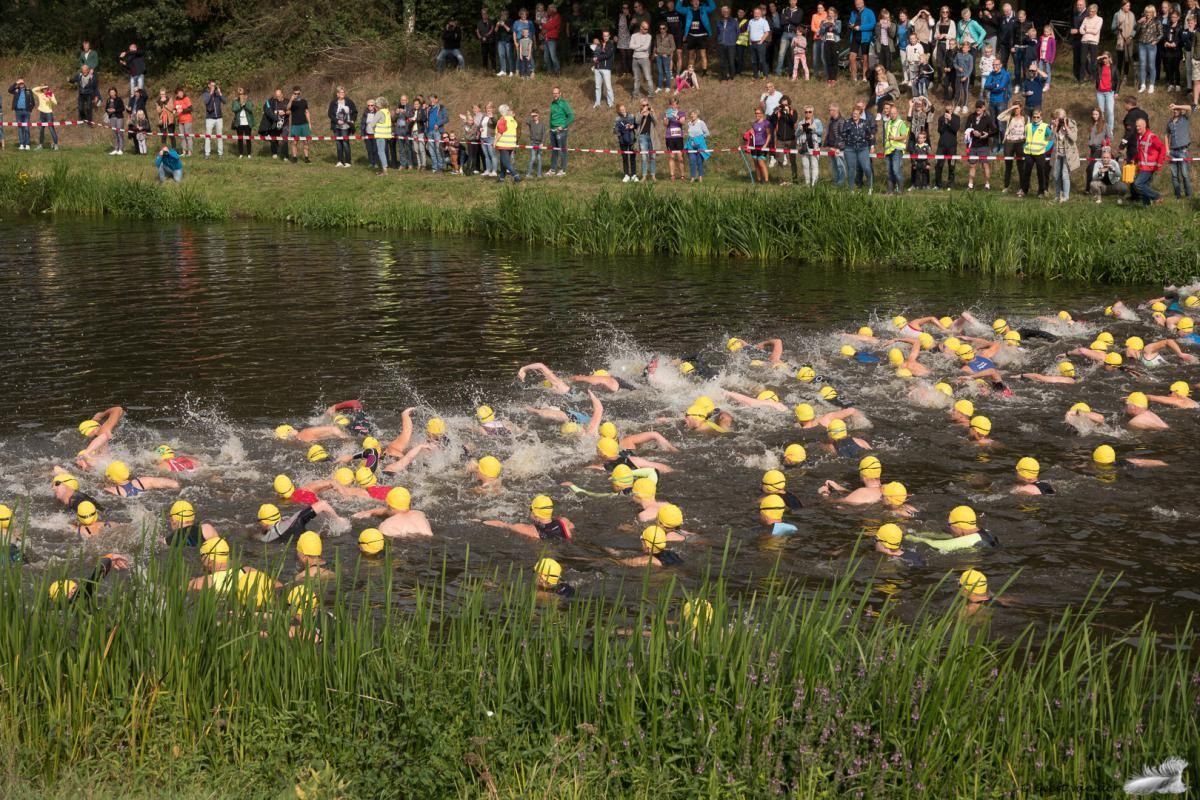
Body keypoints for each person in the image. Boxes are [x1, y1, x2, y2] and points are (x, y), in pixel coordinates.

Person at [48, 554, 131, 608]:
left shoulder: (63, 608)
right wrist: (109, 558)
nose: (75, 592)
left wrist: (108, 560)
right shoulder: (78, 597)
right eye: (73, 591)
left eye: (75, 589)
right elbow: (95, 575)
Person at [484, 494, 574, 541]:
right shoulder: (564, 522)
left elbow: (502, 524)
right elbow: (572, 528)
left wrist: (481, 521)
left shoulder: (530, 530)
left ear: (535, 513)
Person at [1131, 116, 1166, 205]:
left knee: (1138, 184)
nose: (1137, 128)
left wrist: (1159, 162)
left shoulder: (1151, 137)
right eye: (1136, 126)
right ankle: (1146, 206)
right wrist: (1134, 159)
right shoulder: (1140, 137)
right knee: (1145, 185)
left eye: (1139, 126)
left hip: (1149, 167)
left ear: (1144, 125)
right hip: (1143, 166)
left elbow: (1162, 148)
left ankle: (1157, 196)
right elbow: (1142, 152)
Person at [842, 103, 874, 192]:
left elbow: (870, 135)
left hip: (863, 148)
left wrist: (872, 145)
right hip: (850, 149)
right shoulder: (847, 122)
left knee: (867, 168)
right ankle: (851, 190)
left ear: (860, 114)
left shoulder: (865, 123)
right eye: (853, 113)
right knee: (851, 169)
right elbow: (843, 135)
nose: (854, 115)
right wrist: (840, 146)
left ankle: (870, 187)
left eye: (856, 113)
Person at [964, 101, 996, 190]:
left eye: (980, 107)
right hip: (972, 145)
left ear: (984, 108)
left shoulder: (988, 118)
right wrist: (972, 132)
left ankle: (987, 185)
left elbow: (995, 131)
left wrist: (987, 135)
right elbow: (966, 128)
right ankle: (970, 185)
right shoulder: (971, 117)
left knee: (985, 165)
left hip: (984, 145)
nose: (978, 109)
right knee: (972, 165)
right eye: (977, 107)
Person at [1051, 108, 1080, 202]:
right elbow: (1050, 139)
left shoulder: (1072, 124)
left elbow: (1074, 138)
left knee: (1064, 175)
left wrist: (1066, 127)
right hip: (1057, 153)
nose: (1061, 119)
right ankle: (1057, 195)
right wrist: (1055, 127)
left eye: (1062, 117)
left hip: (1068, 154)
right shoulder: (1054, 125)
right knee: (1056, 175)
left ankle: (1066, 196)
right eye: (1059, 118)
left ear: (1065, 116)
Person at [996, 103, 1026, 191]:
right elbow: (999, 117)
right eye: (1015, 108)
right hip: (1009, 143)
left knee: (1021, 166)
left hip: (1020, 143)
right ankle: (1006, 186)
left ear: (1021, 108)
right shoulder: (1010, 117)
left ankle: (1022, 187)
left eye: (1017, 108)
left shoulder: (1025, 118)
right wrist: (1010, 109)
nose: (1016, 110)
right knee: (1008, 165)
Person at [882, 101, 909, 194]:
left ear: (897, 113)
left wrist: (894, 138)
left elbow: (904, 136)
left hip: (897, 150)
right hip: (888, 150)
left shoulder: (901, 123)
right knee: (889, 172)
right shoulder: (887, 123)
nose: (892, 115)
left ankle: (901, 190)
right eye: (891, 113)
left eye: (894, 113)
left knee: (896, 170)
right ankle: (890, 191)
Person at [1166, 103, 1192, 199]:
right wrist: (1167, 149)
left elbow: (1190, 107)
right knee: (1174, 175)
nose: (1175, 111)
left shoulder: (1184, 118)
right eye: (1174, 109)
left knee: (1185, 174)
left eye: (1177, 109)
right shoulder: (1170, 122)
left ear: (1180, 110)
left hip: (1183, 151)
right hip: (1172, 152)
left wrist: (1177, 106)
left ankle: (1188, 195)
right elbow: (1166, 135)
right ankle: (1178, 196)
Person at [327, 86, 356, 168]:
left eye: (343, 92)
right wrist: (337, 121)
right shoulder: (333, 102)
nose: (342, 94)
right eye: (341, 92)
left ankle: (348, 162)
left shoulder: (349, 102)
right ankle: (339, 161)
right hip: (336, 126)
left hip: (346, 126)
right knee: (338, 143)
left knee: (345, 143)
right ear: (337, 94)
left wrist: (352, 120)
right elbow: (330, 114)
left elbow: (354, 112)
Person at [847, 0, 876, 83]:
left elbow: (873, 24)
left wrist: (860, 27)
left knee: (865, 58)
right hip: (854, 37)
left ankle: (865, 77)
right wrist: (851, 25)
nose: (857, 6)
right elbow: (850, 22)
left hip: (865, 37)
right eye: (856, 4)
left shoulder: (869, 12)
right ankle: (854, 78)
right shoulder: (853, 13)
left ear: (863, 3)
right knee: (851, 58)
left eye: (859, 4)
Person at [1136, 5, 1163, 93]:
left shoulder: (1157, 21)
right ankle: (1143, 85)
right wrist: (1139, 22)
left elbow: (1161, 34)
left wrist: (1156, 41)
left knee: (1151, 65)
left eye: (1149, 12)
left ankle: (1151, 85)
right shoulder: (1142, 20)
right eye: (1146, 12)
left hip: (1151, 45)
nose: (1148, 14)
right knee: (1142, 65)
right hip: (1142, 44)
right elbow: (1135, 30)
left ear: (1153, 12)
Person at [934, 104, 960, 189]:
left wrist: (950, 120)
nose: (948, 111)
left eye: (950, 109)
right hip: (942, 145)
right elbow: (940, 130)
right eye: (947, 109)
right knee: (938, 165)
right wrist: (945, 123)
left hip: (952, 145)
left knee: (951, 165)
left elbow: (955, 129)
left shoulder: (956, 118)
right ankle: (938, 184)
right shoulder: (941, 118)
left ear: (952, 109)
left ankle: (950, 184)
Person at [494, 104, 522, 183]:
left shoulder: (503, 119)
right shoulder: (512, 120)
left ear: (501, 112)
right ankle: (502, 178)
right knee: (502, 161)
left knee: (505, 162)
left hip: (503, 144)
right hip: (511, 144)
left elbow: (500, 132)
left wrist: (495, 142)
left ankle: (516, 176)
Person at [286, 86, 312, 164]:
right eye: (295, 93)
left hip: (304, 124)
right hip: (295, 125)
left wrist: (309, 123)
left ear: (300, 93)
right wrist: (291, 100)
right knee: (294, 142)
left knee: (306, 141)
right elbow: (287, 109)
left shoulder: (304, 101)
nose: (297, 95)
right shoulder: (291, 102)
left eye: (298, 93)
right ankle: (294, 158)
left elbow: (307, 112)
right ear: (293, 93)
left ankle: (306, 158)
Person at [6, 78, 33, 151]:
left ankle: (27, 144)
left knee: (26, 128)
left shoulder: (28, 90)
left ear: (24, 83)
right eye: (20, 83)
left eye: (22, 83)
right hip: (18, 112)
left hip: (26, 111)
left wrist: (30, 110)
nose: (21, 84)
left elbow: (32, 101)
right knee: (20, 128)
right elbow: (9, 90)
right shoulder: (16, 90)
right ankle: (21, 144)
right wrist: (16, 82)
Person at [635, 99, 658, 180]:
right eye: (644, 105)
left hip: (651, 137)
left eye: (647, 105)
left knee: (653, 157)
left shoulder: (651, 113)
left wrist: (653, 113)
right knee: (644, 157)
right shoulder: (638, 113)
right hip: (642, 137)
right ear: (641, 106)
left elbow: (656, 122)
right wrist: (642, 113)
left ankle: (653, 175)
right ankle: (644, 176)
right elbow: (637, 122)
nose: (646, 106)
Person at [30, 84, 58, 151]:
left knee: (51, 129)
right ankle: (40, 145)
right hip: (42, 113)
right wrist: (40, 87)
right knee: (41, 129)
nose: (45, 89)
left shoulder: (51, 94)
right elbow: (33, 90)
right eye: (43, 88)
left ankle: (55, 144)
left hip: (49, 113)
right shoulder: (40, 94)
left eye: (46, 88)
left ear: (48, 89)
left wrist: (50, 98)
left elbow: (55, 103)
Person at [593, 31, 617, 108]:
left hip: (606, 68)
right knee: (597, 87)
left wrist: (597, 57)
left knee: (608, 87)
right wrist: (594, 57)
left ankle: (611, 103)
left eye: (607, 36)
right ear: (602, 36)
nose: (605, 37)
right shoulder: (600, 44)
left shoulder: (611, 44)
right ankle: (597, 103)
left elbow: (608, 55)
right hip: (597, 67)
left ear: (609, 36)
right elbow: (595, 52)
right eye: (604, 36)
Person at [1115, 1, 1138, 80]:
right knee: (1120, 59)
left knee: (1127, 58)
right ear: (1122, 6)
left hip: (1129, 39)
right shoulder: (1117, 15)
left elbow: (1135, 28)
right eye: (1127, 6)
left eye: (1129, 6)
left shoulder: (1132, 15)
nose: (1129, 7)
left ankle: (1125, 76)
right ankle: (1118, 76)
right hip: (1120, 40)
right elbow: (1113, 27)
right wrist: (1118, 27)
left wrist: (1131, 36)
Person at [685, 109, 710, 181]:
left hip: (700, 145)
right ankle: (692, 177)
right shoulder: (689, 123)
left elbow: (707, 133)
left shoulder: (701, 123)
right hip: (691, 145)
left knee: (699, 161)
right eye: (691, 114)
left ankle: (700, 177)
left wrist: (700, 138)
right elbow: (690, 133)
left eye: (694, 114)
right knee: (692, 161)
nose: (692, 115)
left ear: (697, 115)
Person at [631, 20, 654, 97]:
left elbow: (645, 47)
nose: (646, 30)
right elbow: (630, 46)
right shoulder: (634, 35)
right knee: (636, 78)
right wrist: (639, 46)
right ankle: (636, 93)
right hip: (635, 59)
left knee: (648, 77)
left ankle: (651, 94)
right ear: (641, 27)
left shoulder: (649, 36)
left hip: (644, 59)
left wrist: (636, 48)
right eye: (645, 29)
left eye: (647, 29)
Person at [615, 103, 637, 181]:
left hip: (632, 139)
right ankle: (626, 175)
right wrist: (621, 131)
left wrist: (632, 126)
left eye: (623, 109)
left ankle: (634, 175)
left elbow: (636, 125)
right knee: (625, 158)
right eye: (621, 110)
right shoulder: (617, 119)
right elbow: (615, 130)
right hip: (622, 141)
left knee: (633, 158)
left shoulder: (631, 116)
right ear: (618, 111)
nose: (623, 110)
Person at [655, 22, 676, 92]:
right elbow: (656, 46)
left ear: (666, 29)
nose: (662, 30)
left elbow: (673, 47)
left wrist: (666, 53)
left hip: (666, 56)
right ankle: (659, 86)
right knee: (660, 71)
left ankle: (668, 86)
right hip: (658, 56)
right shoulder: (657, 36)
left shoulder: (670, 36)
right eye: (660, 28)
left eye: (663, 28)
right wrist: (655, 53)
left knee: (667, 71)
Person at [174, 86, 193, 157]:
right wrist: (174, 110)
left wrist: (183, 110)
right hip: (180, 121)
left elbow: (191, 108)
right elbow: (175, 108)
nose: (181, 93)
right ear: (177, 94)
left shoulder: (186, 99)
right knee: (182, 137)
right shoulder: (176, 100)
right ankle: (184, 152)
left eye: (181, 92)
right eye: (179, 93)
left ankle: (190, 152)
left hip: (187, 120)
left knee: (188, 136)